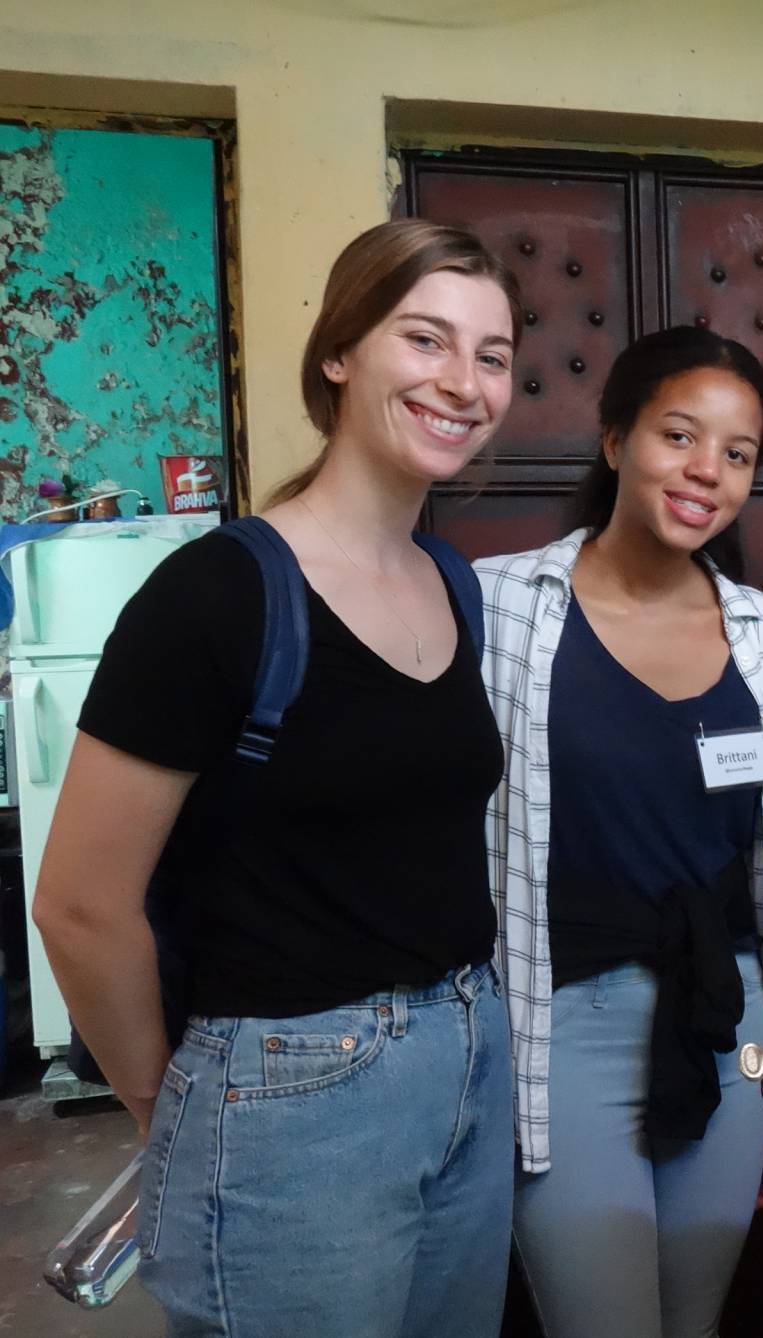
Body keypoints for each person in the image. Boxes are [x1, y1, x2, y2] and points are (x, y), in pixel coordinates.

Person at [32, 219, 521, 1336]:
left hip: (465, 1050)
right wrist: (175, 1101)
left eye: (492, 356)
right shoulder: (216, 595)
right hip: (288, 1090)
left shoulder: (451, 581)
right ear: (341, 352)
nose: (463, 382)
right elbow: (78, 903)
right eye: (426, 339)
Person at [478, 326, 763, 1338]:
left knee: (696, 1317)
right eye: (679, 435)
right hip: (558, 1018)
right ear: (615, 437)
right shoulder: (499, 608)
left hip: (727, 1017)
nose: (706, 471)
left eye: (738, 452)